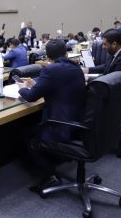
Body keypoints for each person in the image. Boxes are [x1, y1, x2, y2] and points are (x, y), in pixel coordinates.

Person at [18, 39, 86, 192]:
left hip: (59, 124)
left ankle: (48, 175)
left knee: (26, 134)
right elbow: (59, 86)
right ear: (66, 53)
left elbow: (30, 97)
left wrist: (21, 88)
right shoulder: (76, 68)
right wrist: (36, 84)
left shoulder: (50, 70)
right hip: (77, 122)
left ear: (47, 57)